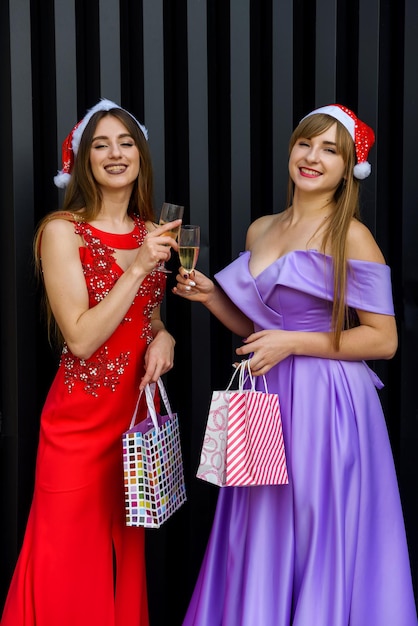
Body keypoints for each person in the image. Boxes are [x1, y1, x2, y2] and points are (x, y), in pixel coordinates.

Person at [174, 104, 418, 625]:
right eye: (306, 143)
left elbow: (385, 340)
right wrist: (214, 296)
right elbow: (256, 329)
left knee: (314, 524)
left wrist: (293, 343)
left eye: (330, 150)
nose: (312, 157)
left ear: (349, 166)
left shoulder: (350, 235)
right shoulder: (261, 228)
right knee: (260, 525)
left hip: (326, 401)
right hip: (267, 398)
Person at [1, 99, 181, 626]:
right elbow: (80, 338)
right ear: (83, 161)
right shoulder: (61, 231)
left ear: (141, 157)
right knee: (65, 559)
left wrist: (165, 334)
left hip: (132, 421)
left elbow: (142, 317)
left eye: (125, 143)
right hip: (78, 421)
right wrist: (140, 267)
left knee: (125, 558)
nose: (115, 153)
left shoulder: (151, 230)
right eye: (100, 145)